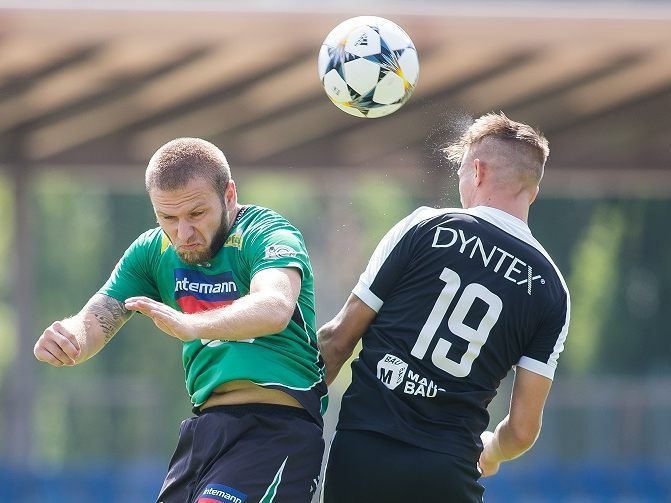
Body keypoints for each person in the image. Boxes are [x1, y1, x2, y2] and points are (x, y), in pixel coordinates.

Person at [33, 138, 327, 503]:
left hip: (272, 431)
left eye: (197, 214)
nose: (183, 233)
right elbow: (96, 318)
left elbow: (275, 306)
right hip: (203, 433)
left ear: (229, 195)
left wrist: (194, 325)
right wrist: (69, 340)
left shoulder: (266, 232)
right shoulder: (151, 251)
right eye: (168, 218)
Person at [318, 112, 570, 502]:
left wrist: (290, 417)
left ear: (479, 171)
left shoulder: (424, 228)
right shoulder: (551, 289)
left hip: (364, 454)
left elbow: (337, 341)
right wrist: (494, 450)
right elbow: (522, 430)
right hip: (447, 473)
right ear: (532, 190)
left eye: (461, 172)